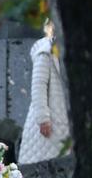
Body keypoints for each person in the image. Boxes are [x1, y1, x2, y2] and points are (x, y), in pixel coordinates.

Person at [20, 21, 72, 164]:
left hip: (66, 120)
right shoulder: (45, 51)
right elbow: (38, 86)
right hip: (49, 122)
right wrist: (43, 119)